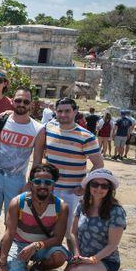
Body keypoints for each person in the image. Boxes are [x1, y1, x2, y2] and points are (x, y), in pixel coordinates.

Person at [33, 97, 103, 237]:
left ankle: (72, 257)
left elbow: (99, 164)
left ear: (75, 112)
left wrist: (84, 186)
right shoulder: (48, 128)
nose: (63, 115)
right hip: (49, 188)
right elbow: (38, 156)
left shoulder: (86, 136)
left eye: (67, 111)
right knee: (45, 226)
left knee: (70, 231)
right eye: (60, 111)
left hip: (72, 192)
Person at [0, 164, 70, 271]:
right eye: (37, 182)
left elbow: (58, 239)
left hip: (43, 246)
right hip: (19, 244)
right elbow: (9, 234)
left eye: (47, 182)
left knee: (59, 257)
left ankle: (37, 269)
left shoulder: (61, 207)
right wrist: (2, 262)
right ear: (31, 184)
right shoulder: (18, 202)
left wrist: (36, 245)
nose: (42, 186)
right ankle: (19, 265)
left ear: (53, 184)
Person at [0, 88, 42, 236]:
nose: (21, 104)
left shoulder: (38, 129)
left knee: (12, 218)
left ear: (31, 104)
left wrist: (30, 183)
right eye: (18, 100)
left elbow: (37, 161)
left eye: (26, 101)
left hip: (16, 180)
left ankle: (5, 250)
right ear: (12, 101)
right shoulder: (1, 121)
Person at [59, 169, 126, 271]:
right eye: (95, 184)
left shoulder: (116, 211)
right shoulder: (82, 204)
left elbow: (112, 245)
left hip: (105, 260)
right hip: (82, 257)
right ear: (89, 186)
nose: (99, 188)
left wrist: (92, 260)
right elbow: (73, 233)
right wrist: (77, 254)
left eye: (104, 186)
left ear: (109, 189)